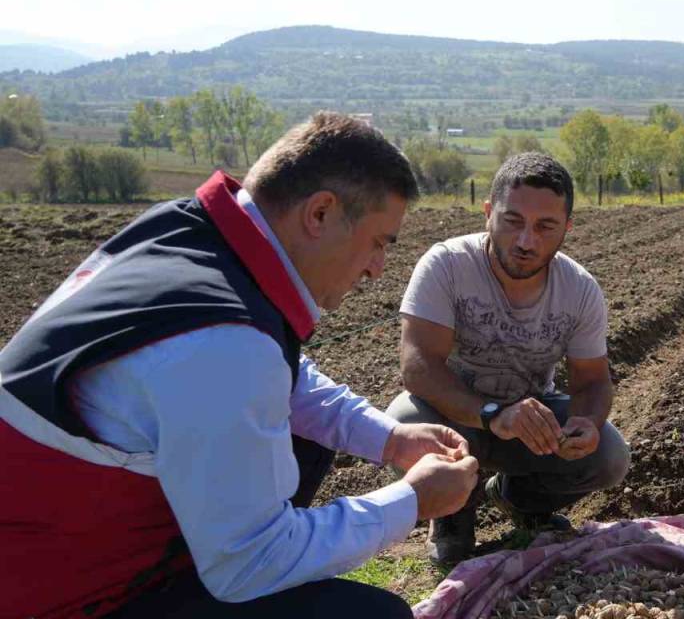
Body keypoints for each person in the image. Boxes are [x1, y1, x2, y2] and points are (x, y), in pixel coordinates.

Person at [0, 112, 480, 618]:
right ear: (319, 214)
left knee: (300, 443)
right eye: (380, 241)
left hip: (62, 549)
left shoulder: (193, 236)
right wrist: (410, 502)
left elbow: (286, 378)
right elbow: (249, 562)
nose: (377, 268)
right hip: (57, 597)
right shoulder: (225, 344)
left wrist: (391, 438)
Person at [387, 151, 629, 563]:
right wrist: (493, 414)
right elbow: (419, 366)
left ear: (567, 228)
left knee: (608, 455)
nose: (525, 241)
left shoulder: (580, 290)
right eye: (512, 221)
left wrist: (586, 423)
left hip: (532, 427)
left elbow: (591, 380)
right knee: (405, 422)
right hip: (456, 415)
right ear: (488, 212)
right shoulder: (447, 265)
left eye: (545, 226)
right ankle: (452, 514)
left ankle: (522, 501)